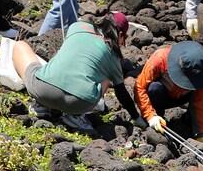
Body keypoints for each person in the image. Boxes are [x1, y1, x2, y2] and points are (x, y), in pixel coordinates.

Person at [9, 17, 137, 134]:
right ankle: (75, 116)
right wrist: (137, 118)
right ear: (120, 35)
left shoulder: (76, 27)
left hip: (43, 91)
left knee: (20, 45)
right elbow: (122, 94)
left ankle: (42, 106)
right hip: (79, 104)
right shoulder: (113, 57)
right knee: (107, 77)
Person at [134, 40, 203, 150]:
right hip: (162, 95)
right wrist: (150, 115)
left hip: (184, 97)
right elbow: (140, 86)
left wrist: (202, 134)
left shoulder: (201, 72)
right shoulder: (160, 58)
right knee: (154, 88)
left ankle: (189, 119)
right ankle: (158, 116)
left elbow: (199, 103)